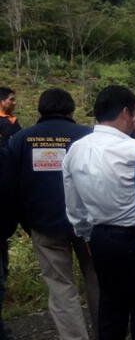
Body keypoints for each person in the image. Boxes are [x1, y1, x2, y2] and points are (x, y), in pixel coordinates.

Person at [63, 85, 135, 340]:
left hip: (100, 238)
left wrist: (86, 236)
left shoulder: (75, 150)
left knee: (110, 305)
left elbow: (73, 205)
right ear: (127, 112)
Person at [6, 88, 98, 340]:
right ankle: (108, 332)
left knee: (60, 287)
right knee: (96, 279)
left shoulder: (22, 139)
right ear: (71, 110)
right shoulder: (88, 135)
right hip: (90, 225)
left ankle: (74, 337)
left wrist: (25, 222)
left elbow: (12, 186)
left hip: (43, 224)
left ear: (40, 110)